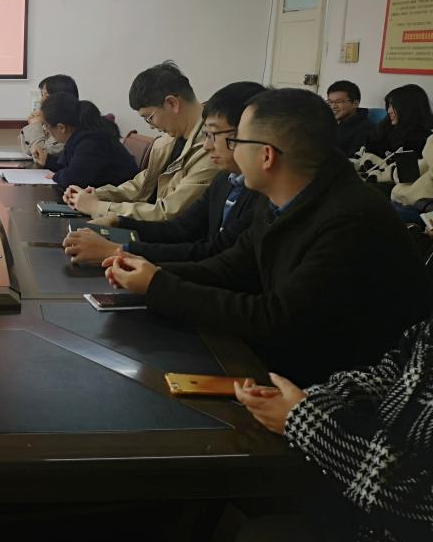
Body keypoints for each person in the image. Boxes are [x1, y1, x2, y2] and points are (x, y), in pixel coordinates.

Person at [103, 88, 431, 386]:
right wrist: (150, 273)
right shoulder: (282, 197)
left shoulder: (351, 219)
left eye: (236, 141)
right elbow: (230, 267)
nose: (222, 149)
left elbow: (275, 318)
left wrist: (159, 286)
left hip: (342, 393)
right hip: (288, 362)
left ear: (266, 155)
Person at [232, 316, 433, 542]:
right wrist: (309, 401)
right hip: (367, 540)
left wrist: (308, 422)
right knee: (256, 540)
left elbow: (419, 497)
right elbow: (390, 376)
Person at [63, 82, 264, 265]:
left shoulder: (250, 189)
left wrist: (120, 250)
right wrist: (115, 217)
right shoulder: (223, 178)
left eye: (149, 117)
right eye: (206, 134)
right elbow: (180, 226)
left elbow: (209, 250)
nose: (208, 145)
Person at [63, 61, 217, 222]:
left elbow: (168, 213)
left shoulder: (211, 148)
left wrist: (97, 207)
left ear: (172, 103)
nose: (150, 126)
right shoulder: (170, 139)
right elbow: (142, 185)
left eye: (149, 117)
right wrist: (95, 195)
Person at [30, 93, 135, 190]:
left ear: (61, 128)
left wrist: (56, 176)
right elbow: (72, 166)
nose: (45, 129)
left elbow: (75, 178)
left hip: (120, 200)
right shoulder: (80, 135)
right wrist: (47, 160)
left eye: (46, 125)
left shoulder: (91, 141)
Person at [355, 84, 433, 184]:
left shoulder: (425, 140)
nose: (388, 111)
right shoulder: (384, 127)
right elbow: (364, 153)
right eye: (389, 106)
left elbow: (408, 177)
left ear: (409, 108)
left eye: (393, 106)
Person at [20, 74, 80, 157]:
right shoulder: (50, 122)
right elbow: (28, 152)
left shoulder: (66, 127)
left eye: (46, 96)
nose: (41, 101)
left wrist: (35, 126)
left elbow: (39, 156)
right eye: (42, 95)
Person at [326, 80, 373, 157]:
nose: (333, 106)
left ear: (355, 104)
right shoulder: (327, 122)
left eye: (339, 102)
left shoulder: (364, 129)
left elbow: (353, 159)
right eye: (330, 102)